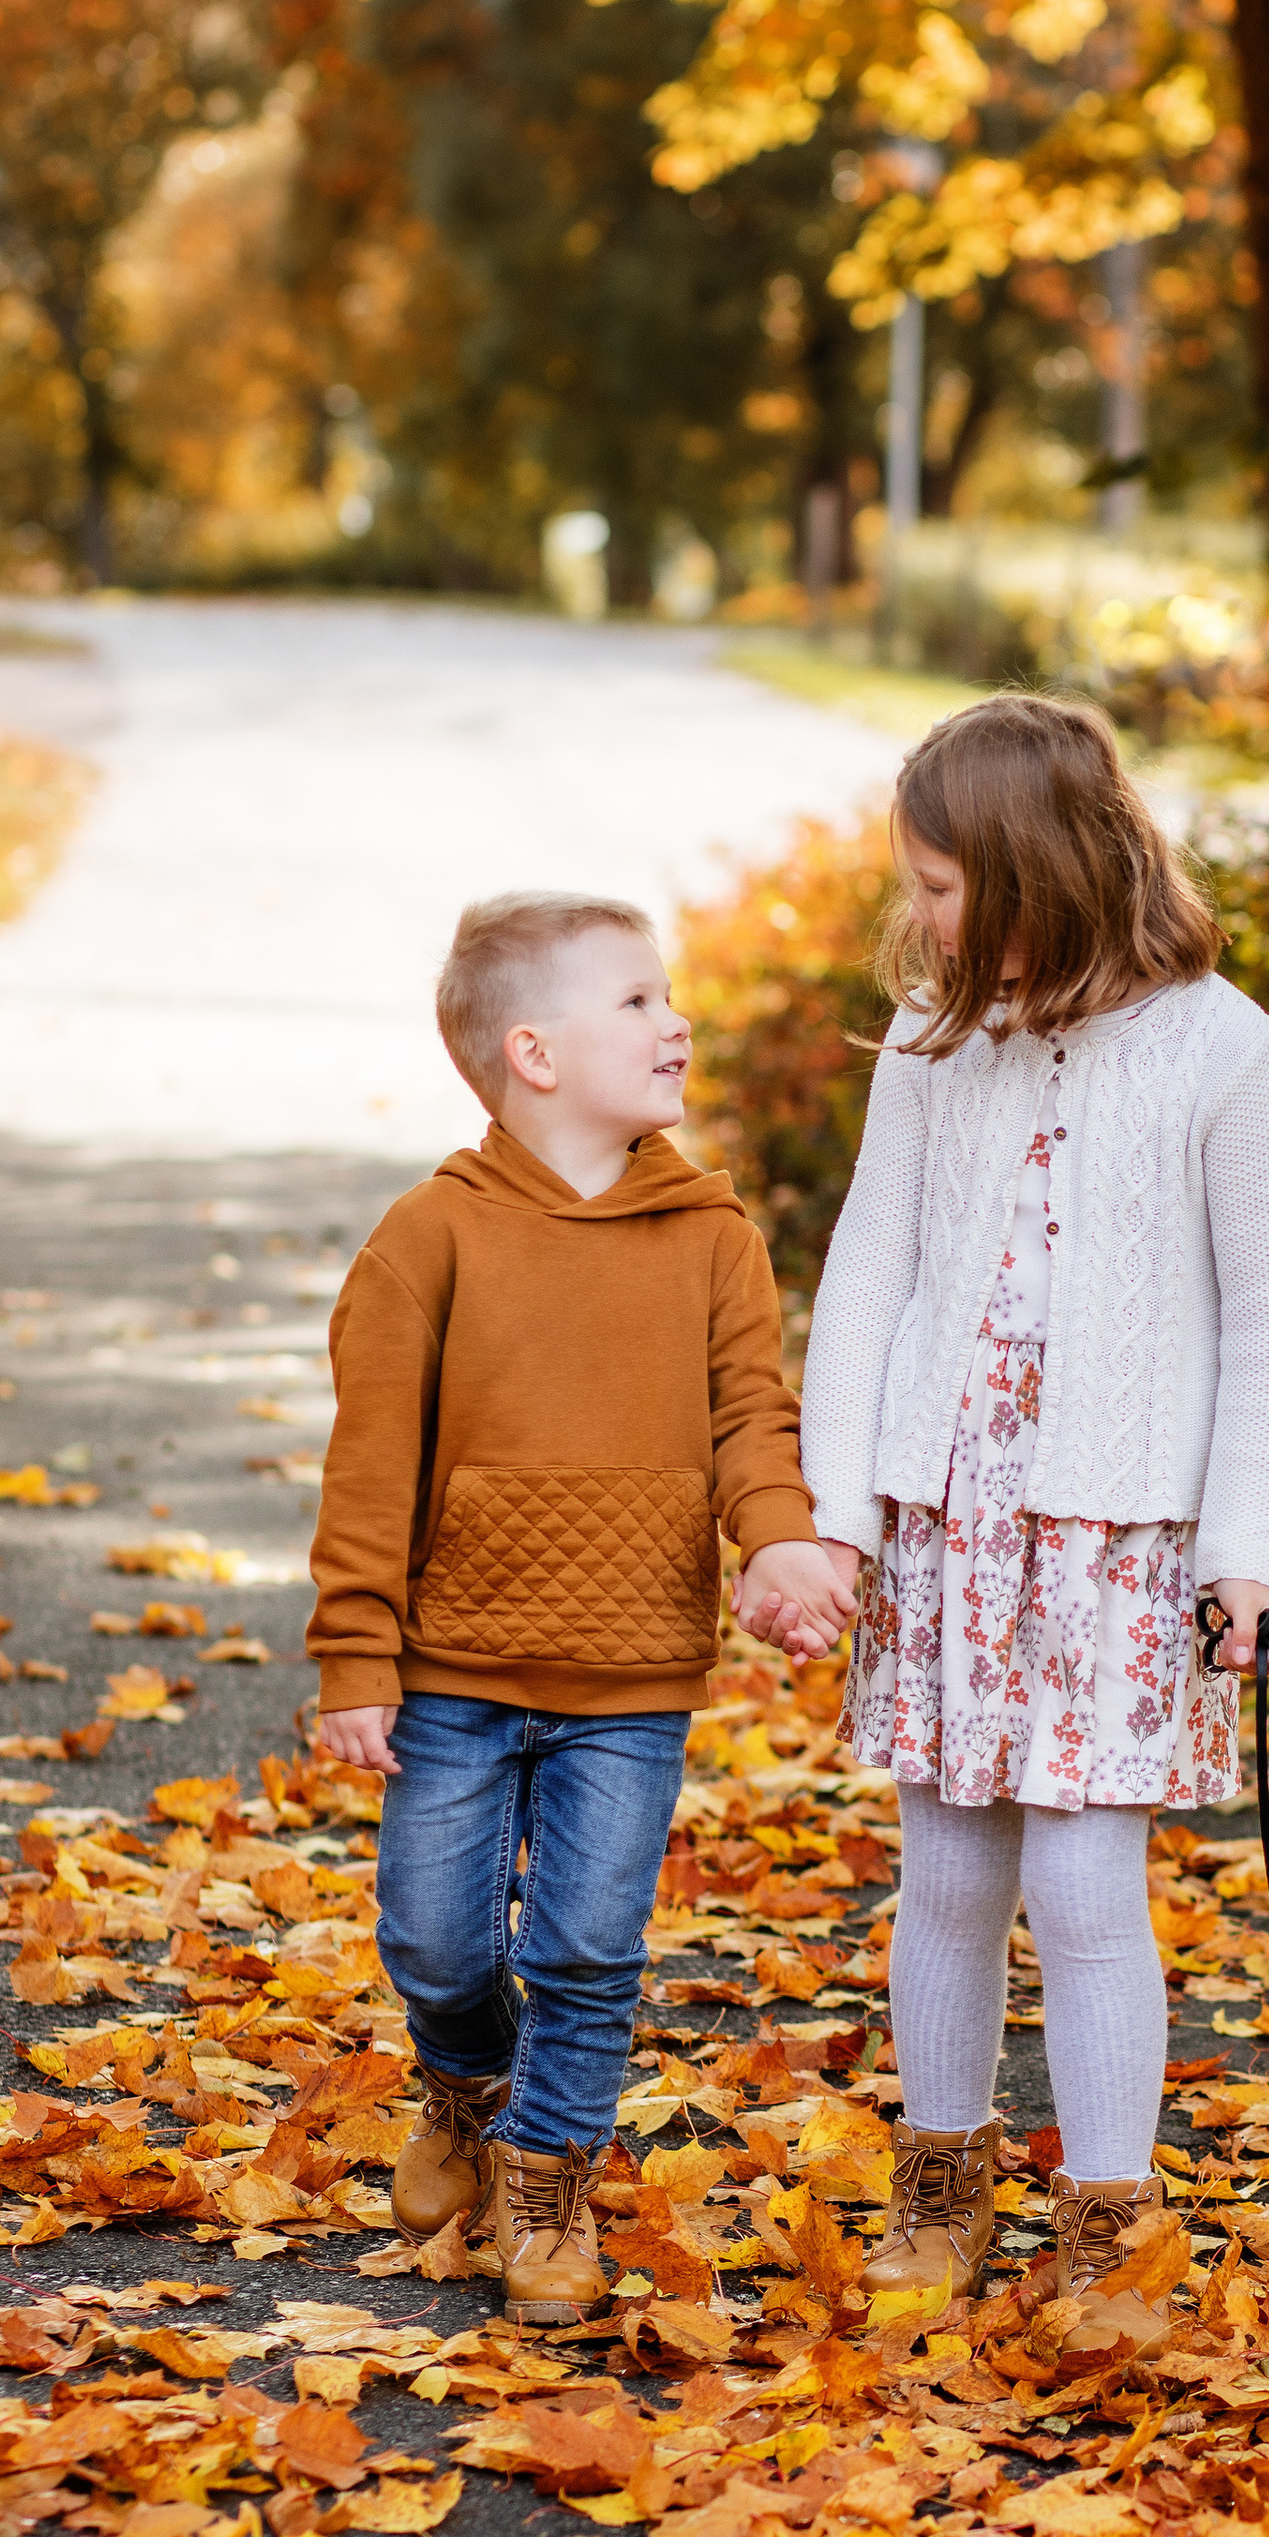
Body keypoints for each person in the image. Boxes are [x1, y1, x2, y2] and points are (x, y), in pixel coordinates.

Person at [798, 695, 1269, 2349]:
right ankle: (941, 2176)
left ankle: (1110, 2219)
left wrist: (1253, 1552)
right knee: (946, 1875)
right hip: (949, 1526)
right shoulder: (934, 1041)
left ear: (1040, 870)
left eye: (946, 887)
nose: (923, 918)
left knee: (1091, 1894)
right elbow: (868, 1269)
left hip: (1118, 1543)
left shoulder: (1223, 1047)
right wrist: (837, 1513)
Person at [309, 891, 849, 2324]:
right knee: (433, 1937)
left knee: (591, 1948)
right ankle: (467, 2084)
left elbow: (752, 1417)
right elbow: (368, 1464)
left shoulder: (713, 1238)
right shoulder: (429, 1238)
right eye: (635, 1000)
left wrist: (779, 1544)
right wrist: (355, 1654)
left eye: (668, 997)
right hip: (453, 1668)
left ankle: (547, 2180)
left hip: (630, 1673)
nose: (675, 1021)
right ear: (533, 1052)